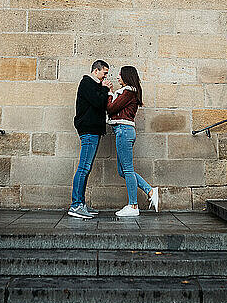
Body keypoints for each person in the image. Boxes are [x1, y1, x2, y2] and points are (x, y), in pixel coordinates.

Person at [107, 65, 159, 217]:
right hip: (122, 131)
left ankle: (133, 205)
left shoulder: (129, 91)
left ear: (127, 76)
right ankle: (150, 191)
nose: (118, 78)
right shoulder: (128, 92)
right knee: (122, 170)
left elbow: (111, 108)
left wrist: (109, 92)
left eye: (120, 75)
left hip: (124, 131)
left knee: (128, 170)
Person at [68, 60, 111, 219]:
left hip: (93, 130)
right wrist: (105, 89)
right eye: (104, 73)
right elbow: (99, 102)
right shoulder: (87, 82)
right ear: (96, 70)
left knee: (86, 168)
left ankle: (81, 204)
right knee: (83, 168)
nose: (106, 76)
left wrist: (103, 89)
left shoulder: (95, 85)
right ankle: (76, 205)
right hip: (88, 130)